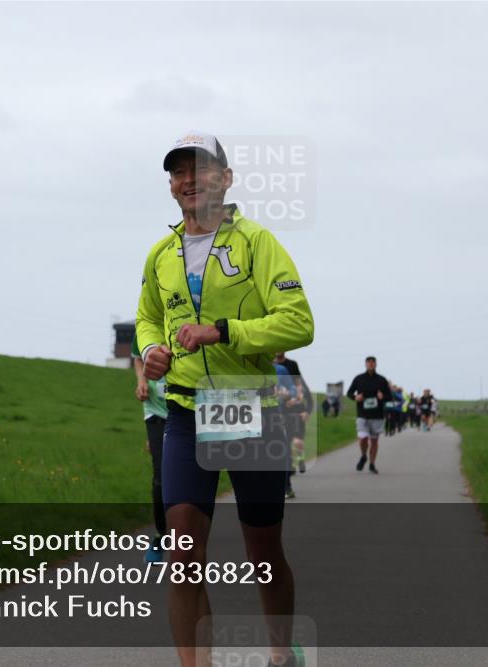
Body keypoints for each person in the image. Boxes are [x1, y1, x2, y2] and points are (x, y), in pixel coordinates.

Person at [136, 131, 314, 667]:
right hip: (186, 411)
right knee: (183, 551)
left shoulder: (258, 243)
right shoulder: (161, 255)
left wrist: (223, 331)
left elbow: (298, 321)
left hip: (249, 409)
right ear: (171, 186)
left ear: (227, 178)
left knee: (263, 553)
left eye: (201, 168)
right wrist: (150, 350)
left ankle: (282, 653)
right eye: (178, 172)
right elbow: (147, 317)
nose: (189, 180)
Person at [131, 335, 169, 562]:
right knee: (161, 476)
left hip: (188, 407)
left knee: (191, 473)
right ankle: (161, 534)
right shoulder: (147, 324)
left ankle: (189, 531)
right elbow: (137, 358)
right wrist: (141, 381)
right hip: (156, 408)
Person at [346, 356, 391, 474]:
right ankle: (363, 456)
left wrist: (383, 397)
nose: (371, 364)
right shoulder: (359, 379)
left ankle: (372, 463)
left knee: (374, 441)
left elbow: (390, 396)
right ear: (365, 364)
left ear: (376, 364)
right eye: (368, 362)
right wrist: (356, 397)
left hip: (377, 416)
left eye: (373, 362)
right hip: (362, 414)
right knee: (363, 438)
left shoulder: (382, 380)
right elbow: (349, 393)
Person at [274, 352, 310, 474]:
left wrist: (305, 410)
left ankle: (298, 460)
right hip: (280, 410)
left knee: (296, 440)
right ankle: (291, 466)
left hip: (295, 411)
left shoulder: (289, 368)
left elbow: (303, 391)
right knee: (286, 441)